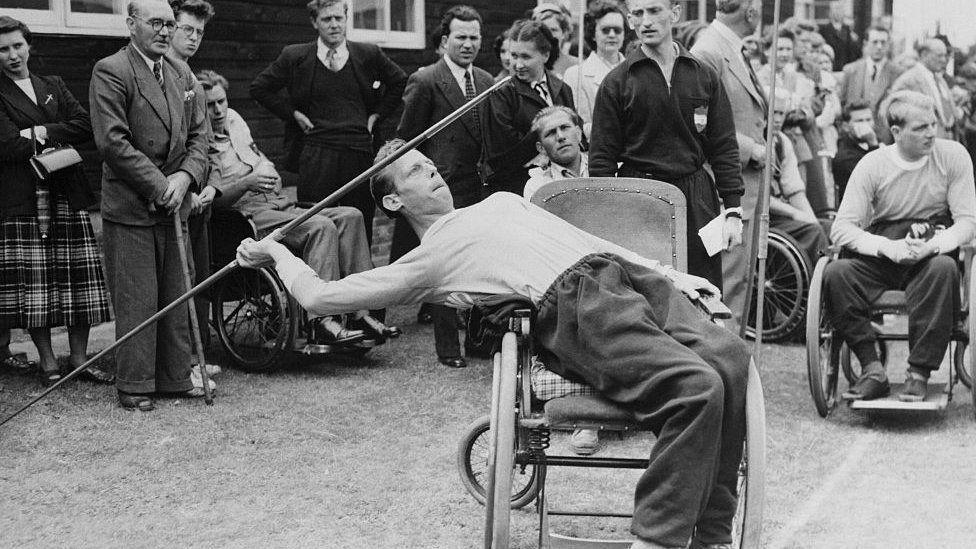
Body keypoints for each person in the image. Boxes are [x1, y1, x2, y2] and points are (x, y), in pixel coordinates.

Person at [237, 139, 752, 549]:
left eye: (427, 161)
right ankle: (658, 539)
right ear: (394, 200)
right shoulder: (432, 259)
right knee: (696, 388)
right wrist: (275, 255)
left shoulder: (502, 201)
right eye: (414, 171)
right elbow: (320, 297)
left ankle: (710, 535)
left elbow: (590, 243)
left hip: (622, 277)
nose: (432, 170)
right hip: (577, 306)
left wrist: (670, 274)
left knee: (731, 358)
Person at [198, 70, 396, 344]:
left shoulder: (235, 126)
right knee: (321, 227)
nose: (218, 110)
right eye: (210, 105)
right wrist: (247, 182)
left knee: (352, 215)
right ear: (199, 107)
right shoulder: (200, 143)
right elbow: (214, 203)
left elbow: (261, 159)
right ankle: (322, 320)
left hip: (280, 206)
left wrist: (270, 173)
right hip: (247, 218)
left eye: (221, 101)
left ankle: (360, 313)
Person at [89, 0, 210, 411]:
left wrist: (185, 177)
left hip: (176, 201)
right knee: (138, 298)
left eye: (169, 24)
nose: (164, 31)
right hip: (134, 205)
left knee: (176, 293)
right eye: (155, 22)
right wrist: (161, 185)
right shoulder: (112, 70)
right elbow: (112, 142)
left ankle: (175, 378)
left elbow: (200, 136)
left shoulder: (180, 72)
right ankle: (135, 384)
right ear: (131, 24)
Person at [826, 90, 976, 403]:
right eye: (920, 128)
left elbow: (967, 222)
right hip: (885, 251)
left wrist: (931, 247)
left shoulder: (954, 156)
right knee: (837, 273)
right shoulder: (872, 164)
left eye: (933, 124)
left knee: (945, 268)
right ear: (896, 132)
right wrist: (888, 248)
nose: (931, 133)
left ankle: (918, 374)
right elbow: (841, 228)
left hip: (929, 250)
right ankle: (872, 369)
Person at [590, 0, 744, 291]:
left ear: (674, 13)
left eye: (654, 11)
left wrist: (733, 210)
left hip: (697, 199)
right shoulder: (617, 82)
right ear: (630, 20)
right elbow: (602, 160)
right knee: (649, 293)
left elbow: (723, 146)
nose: (646, 21)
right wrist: (609, 221)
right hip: (641, 198)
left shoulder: (703, 76)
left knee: (703, 292)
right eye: (638, 13)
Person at [0, 16, 113, 387]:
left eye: (18, 45)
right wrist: (44, 138)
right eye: (3, 49)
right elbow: (7, 145)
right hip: (24, 198)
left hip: (66, 191)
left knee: (77, 279)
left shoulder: (53, 85)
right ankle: (48, 363)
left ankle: (80, 360)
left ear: (29, 45)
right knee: (38, 285)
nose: (13, 55)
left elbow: (85, 125)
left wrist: (40, 131)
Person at [249, 0, 407, 243]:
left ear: (346, 19)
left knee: (360, 224)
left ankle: (356, 277)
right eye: (326, 19)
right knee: (316, 222)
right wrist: (293, 114)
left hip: (358, 152)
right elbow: (260, 87)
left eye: (338, 18)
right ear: (315, 22)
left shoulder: (368, 54)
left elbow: (399, 81)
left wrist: (376, 116)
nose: (334, 25)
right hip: (316, 153)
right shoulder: (296, 56)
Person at [394, 5, 494, 369]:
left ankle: (481, 340)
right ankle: (449, 348)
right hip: (443, 188)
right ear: (445, 40)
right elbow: (407, 141)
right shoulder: (426, 80)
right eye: (461, 37)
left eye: (474, 38)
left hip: (479, 185)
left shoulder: (485, 80)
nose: (468, 44)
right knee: (447, 266)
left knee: (479, 264)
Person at [690, 0, 765, 331]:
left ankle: (734, 365)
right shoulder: (708, 51)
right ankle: (724, 369)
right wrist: (752, 149)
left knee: (739, 283)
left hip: (745, 187)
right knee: (726, 286)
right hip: (724, 186)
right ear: (749, 12)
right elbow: (699, 124)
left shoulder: (733, 48)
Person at [167, 0, 219, 385]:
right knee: (177, 280)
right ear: (170, 27)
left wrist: (202, 185)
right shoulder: (160, 73)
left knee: (195, 276)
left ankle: (190, 358)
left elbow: (203, 142)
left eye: (199, 32)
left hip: (196, 193)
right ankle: (180, 364)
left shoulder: (191, 79)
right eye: (187, 29)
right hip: (169, 192)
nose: (194, 38)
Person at [485, 19, 575, 196]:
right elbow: (501, 152)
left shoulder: (562, 89)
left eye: (526, 57)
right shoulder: (502, 93)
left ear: (545, 55)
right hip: (516, 189)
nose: (517, 65)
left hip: (560, 186)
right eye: (514, 56)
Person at [765, 87, 829, 267]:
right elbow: (759, 197)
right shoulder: (757, 142)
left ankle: (826, 272)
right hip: (762, 214)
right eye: (773, 112)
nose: (778, 119)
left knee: (825, 227)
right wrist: (795, 213)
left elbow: (794, 190)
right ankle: (819, 282)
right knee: (813, 232)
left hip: (780, 213)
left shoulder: (782, 141)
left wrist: (810, 217)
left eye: (782, 113)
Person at [562, 0, 627, 138]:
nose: (612, 35)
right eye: (605, 30)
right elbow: (579, 125)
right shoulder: (576, 74)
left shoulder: (636, 71)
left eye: (617, 30)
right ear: (592, 34)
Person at [838, 26, 899, 142]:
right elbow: (843, 105)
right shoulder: (851, 70)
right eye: (875, 42)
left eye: (883, 42)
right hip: (854, 139)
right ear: (866, 43)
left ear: (889, 45)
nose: (879, 47)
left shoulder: (897, 73)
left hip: (886, 139)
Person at [890, 38, 958, 140]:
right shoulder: (908, 80)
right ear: (924, 55)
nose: (944, 60)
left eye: (945, 55)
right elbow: (894, 115)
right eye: (939, 55)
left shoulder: (940, 80)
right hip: (923, 144)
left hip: (946, 141)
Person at [524, 106, 587, 201]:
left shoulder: (605, 167)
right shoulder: (537, 187)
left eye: (565, 128)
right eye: (551, 133)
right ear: (541, 148)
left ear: (578, 133)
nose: (560, 136)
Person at [832, 100, 880, 203]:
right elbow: (874, 181)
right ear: (846, 126)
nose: (866, 125)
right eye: (859, 121)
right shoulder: (844, 156)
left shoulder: (879, 143)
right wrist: (873, 143)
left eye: (868, 120)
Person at [532, 2, 580, 76]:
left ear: (564, 33)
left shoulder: (577, 65)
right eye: (544, 29)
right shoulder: (531, 63)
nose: (549, 34)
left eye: (554, 30)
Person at [818, 2, 860, 72]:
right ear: (830, 12)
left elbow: (853, 52)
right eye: (836, 9)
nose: (838, 12)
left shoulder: (847, 30)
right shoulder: (824, 30)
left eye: (840, 9)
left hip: (845, 68)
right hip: (830, 68)